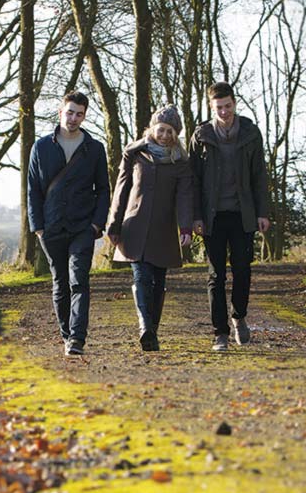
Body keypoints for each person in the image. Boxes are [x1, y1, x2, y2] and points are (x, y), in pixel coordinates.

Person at [27, 91, 110, 357]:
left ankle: (77, 338)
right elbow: (33, 189)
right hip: (50, 226)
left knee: (79, 280)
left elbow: (103, 189)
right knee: (60, 282)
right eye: (70, 112)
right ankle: (66, 334)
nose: (73, 118)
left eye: (79, 114)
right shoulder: (41, 147)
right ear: (60, 112)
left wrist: (97, 224)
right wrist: (38, 227)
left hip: (83, 226)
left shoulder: (94, 149)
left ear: (84, 117)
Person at [190, 82, 270, 352]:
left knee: (242, 269)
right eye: (218, 108)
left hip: (242, 214)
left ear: (234, 103)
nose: (223, 112)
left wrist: (262, 212)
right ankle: (220, 333)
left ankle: (239, 317)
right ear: (211, 107)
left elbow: (259, 175)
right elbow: (193, 179)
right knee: (216, 275)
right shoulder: (201, 135)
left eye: (227, 106)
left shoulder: (250, 133)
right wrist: (196, 216)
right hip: (211, 216)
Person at [107, 105, 193, 351]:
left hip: (163, 231)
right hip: (134, 227)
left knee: (158, 282)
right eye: (161, 129)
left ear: (176, 134)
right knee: (141, 277)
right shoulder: (134, 154)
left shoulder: (181, 163)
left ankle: (152, 331)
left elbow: (185, 197)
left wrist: (185, 228)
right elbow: (121, 190)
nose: (164, 135)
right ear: (152, 128)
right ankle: (144, 326)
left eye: (170, 132)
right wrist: (113, 224)